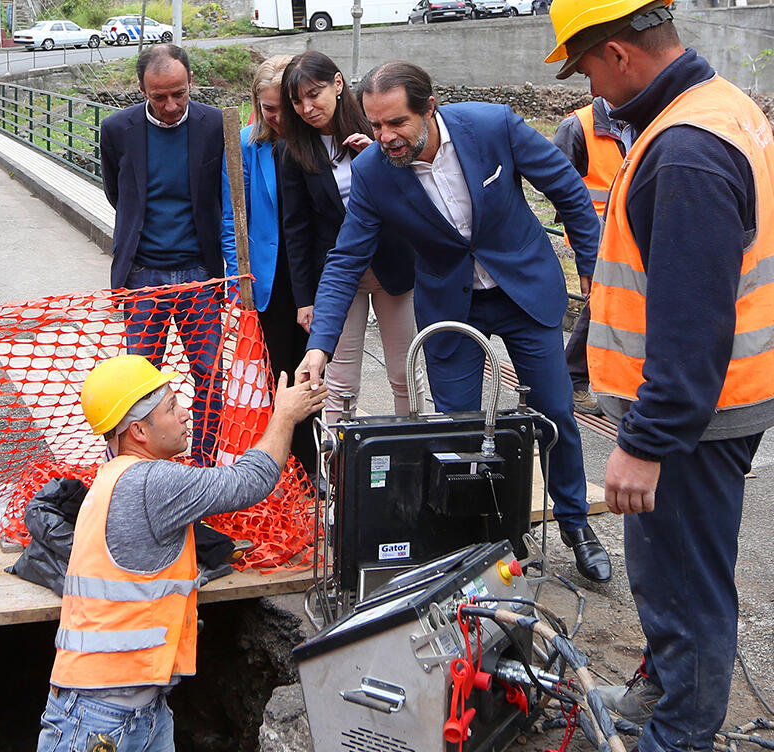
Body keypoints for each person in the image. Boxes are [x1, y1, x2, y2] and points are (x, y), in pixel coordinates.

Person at [546, 0, 774, 745]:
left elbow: (691, 320)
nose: (590, 92)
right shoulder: (719, 107)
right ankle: (664, 686)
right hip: (717, 396)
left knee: (686, 584)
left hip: (697, 414)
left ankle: (679, 733)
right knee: (671, 573)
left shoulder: (686, 149)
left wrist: (647, 442)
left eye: (585, 69)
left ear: (618, 53)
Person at [295, 60, 613, 584]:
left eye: (396, 123)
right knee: (456, 427)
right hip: (449, 304)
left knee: (554, 414)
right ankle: (479, 537)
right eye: (375, 125)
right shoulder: (374, 171)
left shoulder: (492, 126)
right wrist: (319, 348)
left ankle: (576, 523)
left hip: (524, 291)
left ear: (429, 107)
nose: (385, 137)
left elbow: (569, 192)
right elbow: (345, 259)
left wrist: (590, 268)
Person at [36, 354, 326, 752]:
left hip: (138, 711)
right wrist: (285, 415)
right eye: (172, 407)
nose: (186, 413)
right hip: (100, 721)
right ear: (139, 430)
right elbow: (249, 482)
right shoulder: (151, 482)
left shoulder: (114, 478)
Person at [100, 44, 225, 467]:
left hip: (201, 275)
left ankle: (204, 465)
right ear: (142, 89)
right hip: (142, 275)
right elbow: (118, 195)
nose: (171, 106)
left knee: (209, 376)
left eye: (179, 94)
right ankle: (136, 470)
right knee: (138, 386)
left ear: (190, 82)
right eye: (159, 97)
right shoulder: (117, 129)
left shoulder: (213, 125)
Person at [279, 51, 422, 423]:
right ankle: (339, 466)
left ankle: (417, 454)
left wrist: (377, 159)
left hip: (393, 265)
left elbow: (417, 191)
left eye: (315, 94)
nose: (307, 108)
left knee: (405, 372)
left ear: (338, 84)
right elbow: (296, 228)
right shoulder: (294, 150)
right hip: (339, 277)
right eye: (297, 101)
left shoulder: (379, 128)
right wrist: (305, 298)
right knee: (339, 380)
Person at [220, 55, 317, 472]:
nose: (277, 117)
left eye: (284, 107)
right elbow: (231, 216)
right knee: (278, 373)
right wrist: (238, 275)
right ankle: (284, 467)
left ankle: (314, 467)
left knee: (316, 375)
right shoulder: (245, 143)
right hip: (267, 276)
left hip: (312, 273)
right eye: (268, 109)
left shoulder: (314, 140)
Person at [552, 96, 626, 416]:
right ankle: (575, 379)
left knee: (610, 303)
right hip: (595, 232)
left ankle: (580, 378)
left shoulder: (641, 118)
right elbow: (555, 182)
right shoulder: (577, 126)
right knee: (601, 303)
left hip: (627, 228)